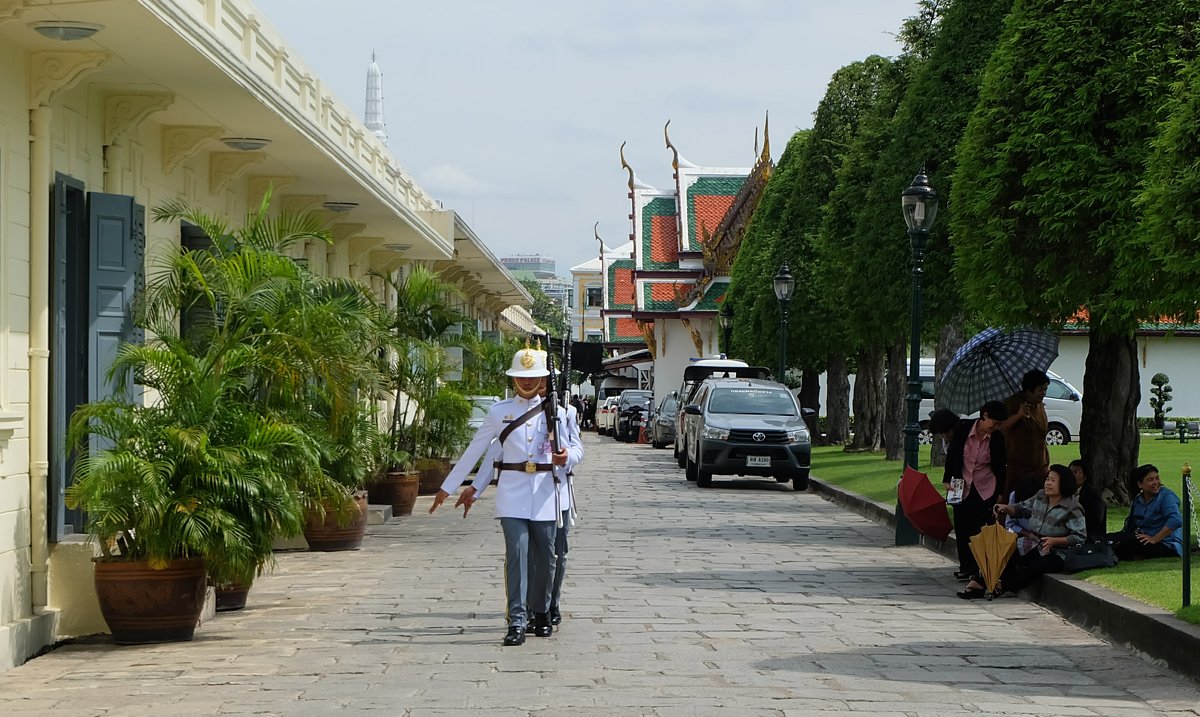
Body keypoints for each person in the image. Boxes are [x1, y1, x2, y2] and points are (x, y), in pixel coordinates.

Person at [429, 345, 583, 647]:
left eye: (534, 377)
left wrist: (568, 458)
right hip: (512, 492)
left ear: (543, 378)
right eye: (521, 377)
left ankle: (541, 612)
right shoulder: (500, 412)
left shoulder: (560, 411)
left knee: (547, 557)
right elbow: (480, 450)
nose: (527, 383)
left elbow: (576, 448)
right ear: (514, 379)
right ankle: (516, 620)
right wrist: (449, 487)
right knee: (516, 555)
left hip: (545, 492)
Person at [960, 464, 1085, 598]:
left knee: (1037, 566)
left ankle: (1004, 585)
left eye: (1053, 481)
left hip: (1057, 552)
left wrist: (1054, 541)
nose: (1048, 483)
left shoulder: (1072, 507)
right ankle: (981, 582)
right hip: (1033, 543)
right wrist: (1007, 508)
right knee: (1004, 550)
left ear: (1064, 484)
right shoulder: (1041, 496)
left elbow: (1079, 537)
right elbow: (1023, 508)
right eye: (1047, 479)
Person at [940, 401, 1009, 587]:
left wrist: (1001, 493)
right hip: (962, 484)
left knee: (980, 528)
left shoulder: (997, 438)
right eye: (994, 422)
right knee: (962, 527)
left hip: (985, 486)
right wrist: (947, 479)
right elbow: (953, 455)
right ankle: (966, 567)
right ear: (984, 416)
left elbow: (1001, 468)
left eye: (999, 424)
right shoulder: (963, 429)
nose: (996, 427)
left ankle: (980, 569)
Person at [1109, 464, 1184, 561]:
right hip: (1144, 540)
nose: (1155, 482)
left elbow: (1176, 520)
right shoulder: (1138, 500)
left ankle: (1108, 555)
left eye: (1157, 478)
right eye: (1151, 480)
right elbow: (1131, 525)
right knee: (1116, 538)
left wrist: (1154, 539)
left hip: (1166, 544)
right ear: (1140, 484)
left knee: (1133, 543)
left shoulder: (1166, 496)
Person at [999, 370, 1051, 503]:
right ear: (1029, 390)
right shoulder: (1012, 404)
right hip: (1018, 467)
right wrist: (1019, 414)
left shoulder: (1040, 406)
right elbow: (1000, 428)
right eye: (1040, 390)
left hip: (1040, 465)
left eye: (1045, 389)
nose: (1044, 393)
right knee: (1014, 503)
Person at [1068, 459, 1107, 542]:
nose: (1071, 475)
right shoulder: (1066, 492)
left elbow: (1094, 521)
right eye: (1070, 472)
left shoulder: (1091, 496)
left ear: (1085, 477)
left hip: (1088, 537)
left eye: (1076, 472)